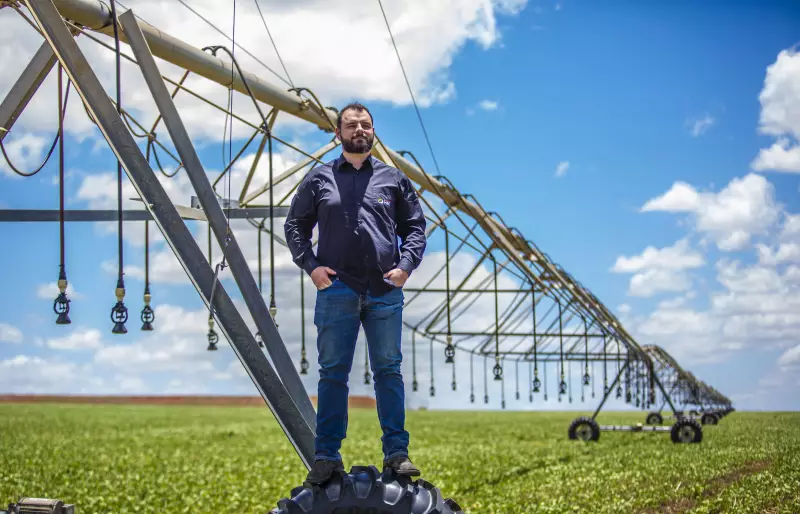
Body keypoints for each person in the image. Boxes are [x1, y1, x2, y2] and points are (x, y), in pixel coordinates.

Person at [284, 102, 427, 486]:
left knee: (388, 372)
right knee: (333, 373)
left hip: (384, 291)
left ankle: (396, 455)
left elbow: (415, 227)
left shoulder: (393, 179)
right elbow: (295, 225)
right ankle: (327, 457)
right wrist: (311, 267)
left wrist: (406, 267)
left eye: (365, 124)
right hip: (337, 289)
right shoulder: (319, 178)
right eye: (351, 125)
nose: (359, 130)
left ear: (373, 131)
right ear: (338, 134)